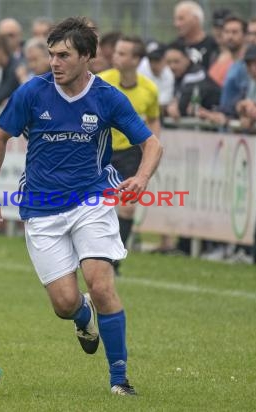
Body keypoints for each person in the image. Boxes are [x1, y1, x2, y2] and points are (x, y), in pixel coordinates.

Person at [0, 16, 162, 395]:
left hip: (91, 200)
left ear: (87, 57)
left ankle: (119, 380)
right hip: (42, 207)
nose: (55, 63)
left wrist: (141, 178)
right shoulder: (33, 92)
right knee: (64, 303)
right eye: (51, 55)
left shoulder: (107, 97)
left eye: (64, 55)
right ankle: (82, 317)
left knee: (101, 284)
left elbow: (152, 144)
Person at [98, 35, 161, 275]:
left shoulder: (149, 89)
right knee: (94, 205)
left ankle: (113, 263)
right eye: (116, 52)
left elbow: (154, 118)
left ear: (136, 59)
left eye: (123, 53)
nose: (115, 57)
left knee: (127, 208)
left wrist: (152, 145)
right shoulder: (103, 81)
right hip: (100, 151)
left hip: (131, 153)